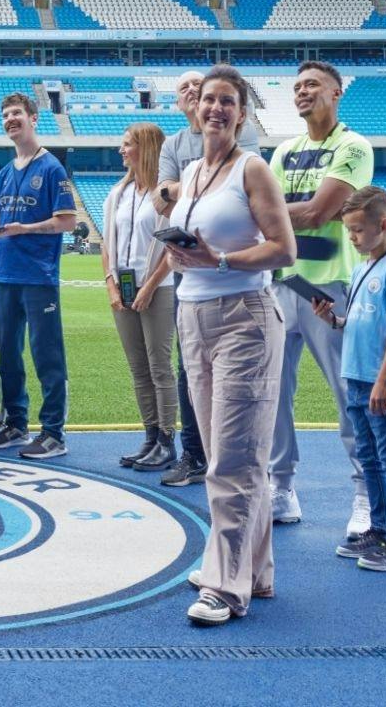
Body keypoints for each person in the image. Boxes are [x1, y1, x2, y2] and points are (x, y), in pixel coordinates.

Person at [163, 65, 297, 627]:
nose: (215, 108)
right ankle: (253, 569)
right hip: (193, 316)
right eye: (209, 100)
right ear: (196, 111)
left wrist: (217, 260)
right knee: (226, 452)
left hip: (244, 316)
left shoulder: (254, 169)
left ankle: (224, 585)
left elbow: (284, 249)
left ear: (241, 115)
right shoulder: (192, 170)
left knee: (234, 458)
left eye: (227, 102)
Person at [268, 60, 373, 541]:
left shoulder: (352, 146)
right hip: (283, 285)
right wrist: (267, 215)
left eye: (312, 85)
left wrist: (268, 214)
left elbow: (319, 211)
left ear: (336, 93)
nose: (302, 92)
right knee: (273, 397)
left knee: (348, 396)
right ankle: (281, 489)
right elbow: (274, 214)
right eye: (297, 87)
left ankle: (366, 495)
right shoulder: (283, 151)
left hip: (329, 288)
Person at [152, 69, 261, 488]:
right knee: (190, 367)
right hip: (191, 277)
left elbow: (237, 189)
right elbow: (161, 197)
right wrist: (184, 190)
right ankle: (194, 454)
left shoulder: (242, 144)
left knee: (234, 383)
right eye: (188, 91)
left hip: (236, 284)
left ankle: (236, 468)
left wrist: (183, 192)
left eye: (205, 90)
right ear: (187, 105)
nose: (198, 96)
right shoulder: (176, 145)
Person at [314, 186, 386, 573]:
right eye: (349, 230)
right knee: (370, 457)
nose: (353, 237)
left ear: (384, 225)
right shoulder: (361, 269)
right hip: (356, 377)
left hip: (380, 382)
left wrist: (383, 381)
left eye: (358, 230)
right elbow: (360, 323)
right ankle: (379, 528)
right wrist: (333, 320)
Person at [0, 91, 78, 460]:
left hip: (38, 276)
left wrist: (25, 229)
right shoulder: (5, 172)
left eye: (17, 113)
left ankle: (53, 432)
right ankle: (16, 424)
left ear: (34, 118)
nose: (11, 119)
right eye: (6, 115)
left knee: (46, 354)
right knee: (8, 354)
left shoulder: (52, 168)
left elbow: (68, 222)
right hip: (4, 276)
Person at [104, 122, 177, 472]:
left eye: (127, 144)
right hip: (123, 288)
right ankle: (149, 436)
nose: (122, 150)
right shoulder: (119, 193)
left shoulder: (163, 194)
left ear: (145, 148)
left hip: (158, 289)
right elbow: (107, 243)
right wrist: (110, 284)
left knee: (160, 366)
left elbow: (172, 246)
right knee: (138, 369)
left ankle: (167, 440)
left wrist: (149, 287)